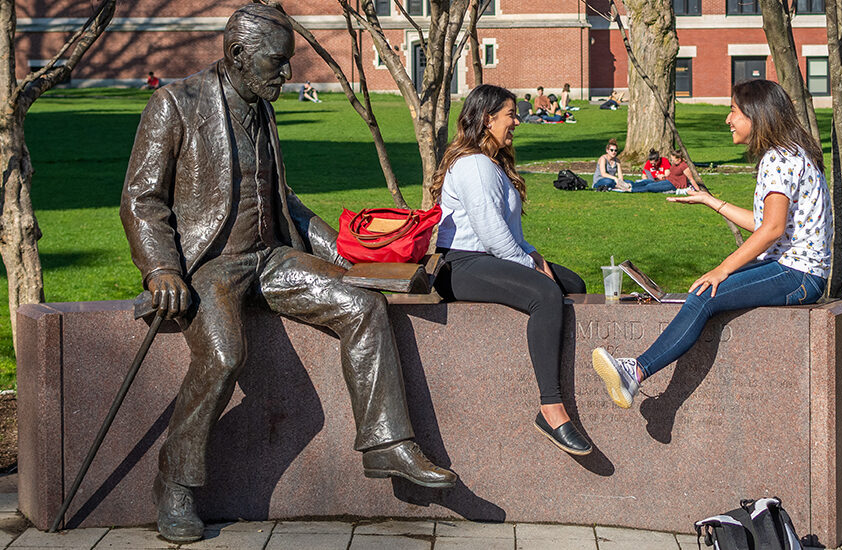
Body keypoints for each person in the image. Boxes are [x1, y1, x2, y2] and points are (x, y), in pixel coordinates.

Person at [121, 5, 456, 543]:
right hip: (211, 267)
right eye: (277, 63)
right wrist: (161, 268)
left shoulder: (260, 106)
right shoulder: (175, 104)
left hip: (272, 258)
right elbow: (141, 198)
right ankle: (175, 484)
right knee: (225, 355)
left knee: (361, 304)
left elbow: (282, 201)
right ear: (236, 56)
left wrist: (348, 252)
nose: (287, 75)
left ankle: (388, 445)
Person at [590, 79, 832, 409]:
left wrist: (721, 270)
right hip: (797, 271)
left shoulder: (779, 159)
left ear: (756, 115)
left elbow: (772, 229)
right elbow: (768, 224)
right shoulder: (791, 154)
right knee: (708, 289)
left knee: (705, 293)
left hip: (798, 275)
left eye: (734, 111)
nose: (727, 119)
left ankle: (635, 372)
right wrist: (710, 201)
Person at [431, 84, 593, 456]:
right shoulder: (473, 164)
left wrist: (536, 258)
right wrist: (534, 271)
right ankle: (551, 410)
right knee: (545, 293)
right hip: (461, 264)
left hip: (488, 257)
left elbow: (510, 235)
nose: (517, 121)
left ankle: (570, 377)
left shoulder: (491, 163)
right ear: (487, 119)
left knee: (573, 282)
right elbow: (490, 234)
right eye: (510, 115)